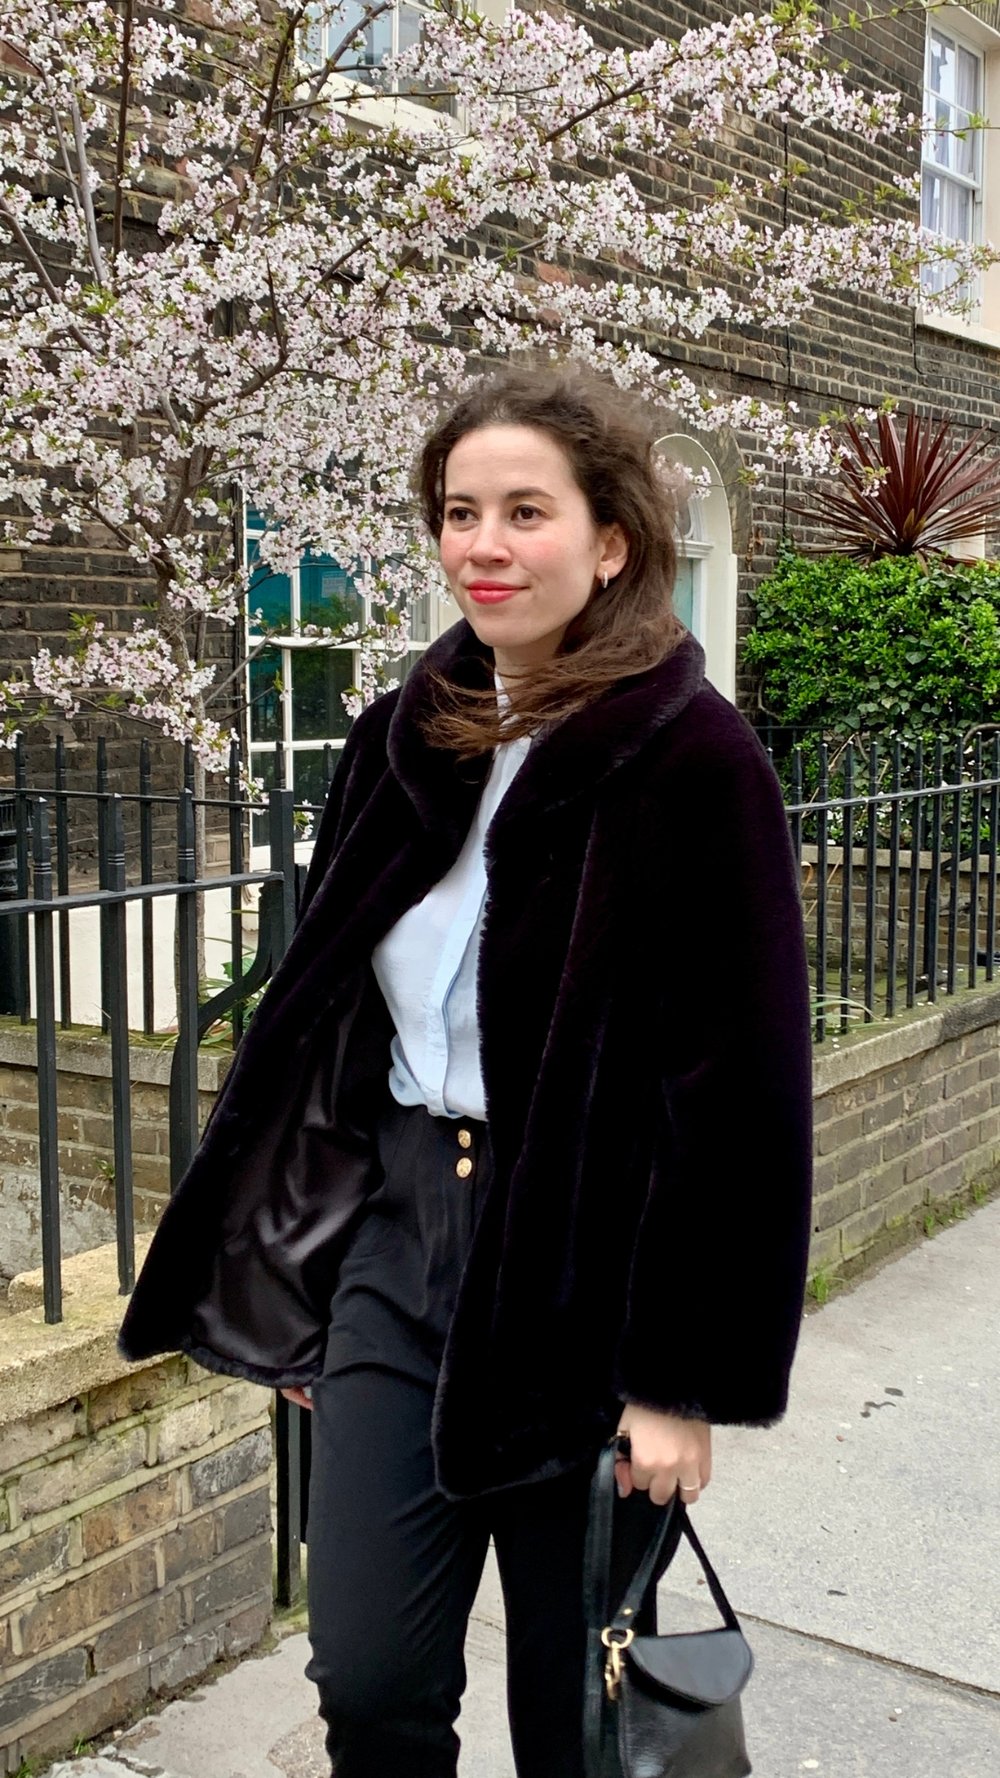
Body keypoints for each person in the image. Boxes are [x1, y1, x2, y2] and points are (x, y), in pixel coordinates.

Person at [120, 364, 813, 1778]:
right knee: (367, 1675)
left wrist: (679, 1383)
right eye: (458, 511)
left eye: (523, 511)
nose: (483, 544)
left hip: (581, 1274)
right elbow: (327, 1022)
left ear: (609, 540)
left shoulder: (695, 761)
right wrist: (306, 1267)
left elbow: (740, 1101)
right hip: (393, 1250)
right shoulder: (400, 739)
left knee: (577, 1710)